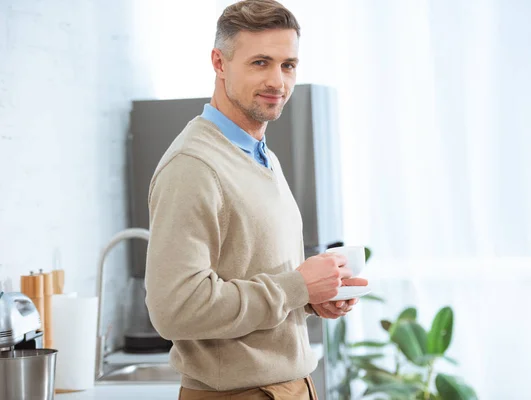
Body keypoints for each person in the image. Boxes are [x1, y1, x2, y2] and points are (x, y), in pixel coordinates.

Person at [145, 1, 367, 398]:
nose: (278, 82)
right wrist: (296, 288)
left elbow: (252, 273)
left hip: (288, 386)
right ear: (219, 62)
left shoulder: (258, 153)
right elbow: (175, 309)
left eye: (288, 65)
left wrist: (311, 299)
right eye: (260, 62)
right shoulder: (193, 166)